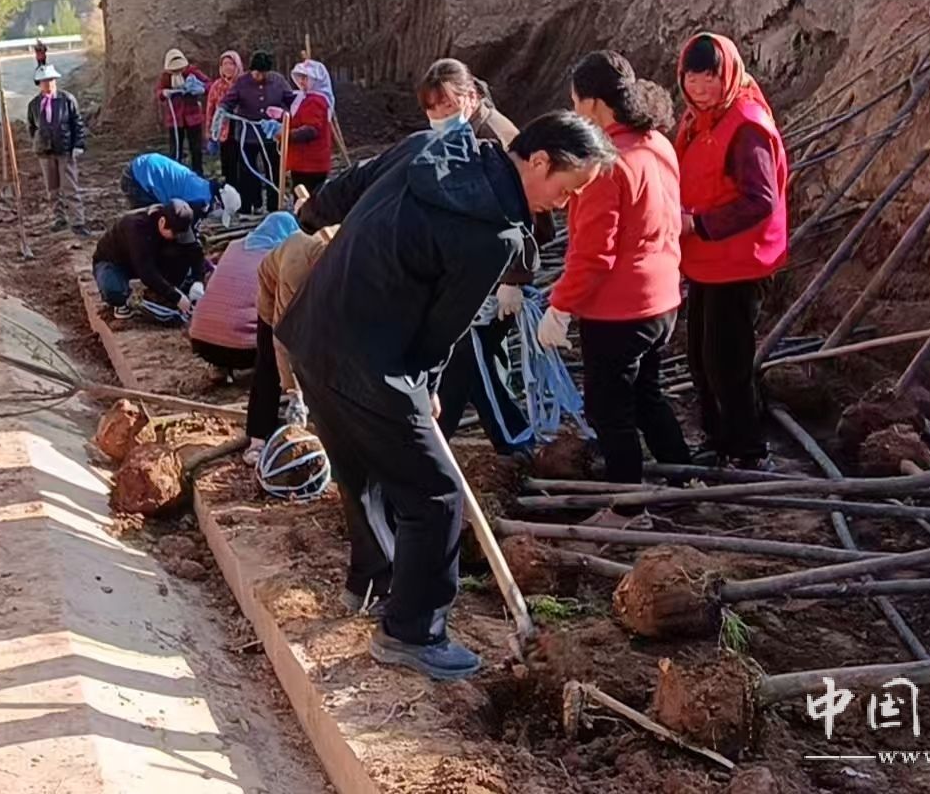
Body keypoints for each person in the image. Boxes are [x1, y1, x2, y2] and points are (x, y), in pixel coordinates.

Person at [276, 113, 616, 681]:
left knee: (361, 470)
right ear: (539, 161)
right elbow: (443, 328)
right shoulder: (494, 235)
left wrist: (311, 216)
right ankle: (412, 632)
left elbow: (350, 185)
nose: (564, 203)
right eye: (567, 188)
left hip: (313, 333)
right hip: (373, 362)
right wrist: (425, 386)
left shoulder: (431, 145)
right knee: (435, 495)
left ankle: (373, 582)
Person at [542, 52, 690, 508]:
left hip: (619, 310)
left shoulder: (606, 164)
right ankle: (683, 479)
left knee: (610, 410)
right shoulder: (657, 143)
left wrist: (560, 306)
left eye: (575, 103)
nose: (574, 112)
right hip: (662, 300)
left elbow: (593, 253)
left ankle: (627, 505)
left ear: (593, 104)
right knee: (647, 396)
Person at [406, 59, 537, 454]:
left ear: (472, 96)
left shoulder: (496, 138)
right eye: (432, 108)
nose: (439, 115)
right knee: (468, 361)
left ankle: (513, 440)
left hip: (493, 272)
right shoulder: (461, 136)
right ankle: (436, 437)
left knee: (475, 356)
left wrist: (513, 279)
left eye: (447, 104)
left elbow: (528, 214)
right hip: (474, 268)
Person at [675, 32, 789, 470]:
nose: (701, 88)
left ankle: (748, 450)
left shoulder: (746, 126)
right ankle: (718, 439)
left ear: (727, 75)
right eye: (692, 78)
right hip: (707, 258)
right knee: (701, 358)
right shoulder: (698, 119)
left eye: (710, 77)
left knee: (727, 361)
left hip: (740, 261)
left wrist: (699, 223)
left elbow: (760, 199)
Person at [253, 221, 334, 446]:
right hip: (273, 292)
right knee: (269, 363)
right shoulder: (296, 268)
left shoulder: (347, 253)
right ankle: (258, 437)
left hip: (318, 293)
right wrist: (293, 392)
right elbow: (283, 336)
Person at [188, 211, 298, 374]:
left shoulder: (234, 247)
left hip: (200, 340)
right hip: (244, 351)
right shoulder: (281, 258)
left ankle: (219, 367)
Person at [92, 200, 210, 324]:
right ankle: (122, 301)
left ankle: (159, 295)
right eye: (174, 233)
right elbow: (146, 272)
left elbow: (195, 253)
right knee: (114, 291)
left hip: (149, 257)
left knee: (180, 252)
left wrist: (198, 281)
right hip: (116, 262)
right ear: (162, 222)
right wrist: (177, 297)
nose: (177, 236)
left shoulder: (180, 224)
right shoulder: (137, 227)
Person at [224, 51, 294, 213]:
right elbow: (228, 101)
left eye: (262, 73)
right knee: (247, 171)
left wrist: (283, 114)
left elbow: (291, 101)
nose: (259, 76)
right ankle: (248, 206)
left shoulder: (278, 81)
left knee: (274, 170)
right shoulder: (242, 82)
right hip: (248, 135)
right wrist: (223, 110)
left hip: (271, 135)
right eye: (256, 73)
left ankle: (274, 206)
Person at [26, 64, 90, 235]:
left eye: (50, 80)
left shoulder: (67, 99)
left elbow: (77, 123)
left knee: (70, 187)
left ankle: (77, 221)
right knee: (52, 189)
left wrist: (78, 144)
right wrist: (39, 143)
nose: (48, 84)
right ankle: (59, 218)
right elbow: (32, 127)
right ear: (39, 83)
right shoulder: (34, 104)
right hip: (45, 153)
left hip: (65, 150)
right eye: (44, 81)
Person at [119, 152, 243, 223]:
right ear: (218, 203)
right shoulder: (199, 202)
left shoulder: (205, 187)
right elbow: (181, 228)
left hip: (143, 166)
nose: (216, 217)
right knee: (147, 224)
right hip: (138, 177)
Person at [284, 61, 334, 195]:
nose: (301, 81)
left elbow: (311, 130)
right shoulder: (305, 98)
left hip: (310, 163)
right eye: (300, 78)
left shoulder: (315, 101)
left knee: (306, 198)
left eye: (305, 78)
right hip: (304, 162)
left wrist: (286, 135)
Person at [156, 48, 207, 173]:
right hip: (175, 119)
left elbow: (209, 84)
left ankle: (198, 173)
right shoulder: (166, 77)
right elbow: (159, 92)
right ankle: (176, 175)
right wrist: (164, 93)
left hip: (193, 118)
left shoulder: (192, 72)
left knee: (196, 148)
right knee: (175, 150)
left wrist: (201, 88)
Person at [203, 50, 243, 183]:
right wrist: (210, 134)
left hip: (243, 129)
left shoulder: (244, 83)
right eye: (225, 64)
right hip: (224, 130)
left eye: (231, 64)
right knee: (228, 163)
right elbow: (210, 110)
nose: (228, 67)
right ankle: (230, 190)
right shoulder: (217, 86)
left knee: (243, 164)